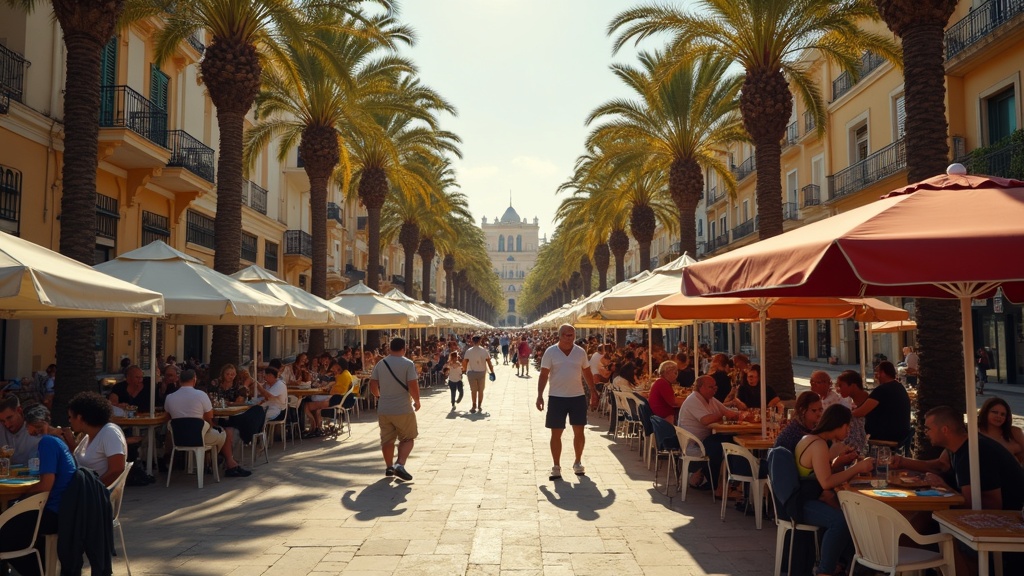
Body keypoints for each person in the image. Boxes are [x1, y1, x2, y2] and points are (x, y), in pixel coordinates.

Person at [794, 404, 875, 576]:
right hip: (802, 502)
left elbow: (821, 472)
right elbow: (826, 482)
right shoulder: (818, 445)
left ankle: (845, 564)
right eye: (848, 426)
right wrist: (857, 468)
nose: (849, 431)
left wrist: (839, 462)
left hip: (805, 497)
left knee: (849, 513)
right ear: (839, 424)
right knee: (840, 521)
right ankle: (825, 571)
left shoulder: (811, 439)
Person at [0, 405, 78, 576]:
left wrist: (21, 497)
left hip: (53, 512)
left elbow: (45, 486)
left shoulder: (47, 442)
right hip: (63, 508)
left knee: (4, 534)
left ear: (34, 423)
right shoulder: (58, 441)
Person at [536, 324, 599, 480]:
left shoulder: (580, 352)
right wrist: (539, 395)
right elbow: (544, 374)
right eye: (566, 335)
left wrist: (593, 391)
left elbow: (586, 371)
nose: (569, 338)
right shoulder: (551, 352)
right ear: (560, 336)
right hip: (556, 397)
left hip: (577, 396)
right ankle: (556, 466)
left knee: (579, 431)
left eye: (572, 335)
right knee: (556, 432)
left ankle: (577, 462)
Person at [164, 369, 250, 477]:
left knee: (217, 433)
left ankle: (215, 461)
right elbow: (209, 419)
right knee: (225, 432)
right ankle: (228, 463)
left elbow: (168, 417)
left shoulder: (170, 397)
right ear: (194, 380)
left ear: (180, 380)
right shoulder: (201, 395)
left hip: (178, 438)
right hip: (199, 437)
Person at [677, 374, 743, 496]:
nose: (714, 389)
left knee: (733, 440)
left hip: (704, 439)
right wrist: (724, 416)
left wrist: (739, 413)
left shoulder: (711, 399)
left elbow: (726, 411)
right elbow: (706, 420)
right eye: (711, 387)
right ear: (701, 388)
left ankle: (731, 483)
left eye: (715, 387)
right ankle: (719, 486)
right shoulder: (694, 399)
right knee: (723, 445)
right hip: (694, 443)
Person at [369, 337, 420, 482]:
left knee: (387, 440)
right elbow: (412, 385)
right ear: (404, 348)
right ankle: (400, 464)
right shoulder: (408, 364)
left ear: (389, 348)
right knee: (408, 437)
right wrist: (417, 401)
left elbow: (373, 385)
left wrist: (379, 396)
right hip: (403, 408)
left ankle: (389, 467)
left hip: (384, 408)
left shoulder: (381, 363)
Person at [64, 391, 127, 486]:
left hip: (95, 494)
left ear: (80, 417)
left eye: (70, 417)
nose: (69, 421)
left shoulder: (109, 432)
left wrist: (95, 488)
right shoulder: (87, 436)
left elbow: (117, 468)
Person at [857, 361, 911, 444]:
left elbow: (861, 412)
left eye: (877, 373)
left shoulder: (882, 390)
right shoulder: (899, 386)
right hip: (902, 433)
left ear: (882, 373)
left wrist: (845, 413)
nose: (876, 377)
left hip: (886, 435)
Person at [302, 360, 352, 437]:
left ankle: (314, 427)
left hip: (336, 400)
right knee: (315, 406)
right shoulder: (346, 374)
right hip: (340, 400)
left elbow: (337, 391)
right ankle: (318, 428)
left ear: (339, 366)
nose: (333, 370)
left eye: (335, 367)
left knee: (306, 405)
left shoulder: (343, 375)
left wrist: (330, 388)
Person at [978, 396, 1024, 464]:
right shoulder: (975, 431)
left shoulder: (1014, 432)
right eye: (995, 412)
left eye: (1003, 414)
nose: (999, 416)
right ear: (985, 412)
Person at [0, 393, 42, 464]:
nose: (7, 424)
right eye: (2, 421)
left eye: (9, 418)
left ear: (19, 411)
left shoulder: (36, 428)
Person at [833, 370, 868, 451]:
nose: (838, 389)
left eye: (841, 385)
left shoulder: (869, 402)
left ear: (853, 385)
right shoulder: (847, 402)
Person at [462, 335, 496, 414]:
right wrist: (492, 372)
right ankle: (479, 405)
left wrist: (463, 371)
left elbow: (465, 362)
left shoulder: (469, 351)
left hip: (471, 372)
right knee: (481, 390)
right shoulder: (484, 351)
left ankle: (474, 405)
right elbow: (489, 362)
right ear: (480, 341)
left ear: (472, 341)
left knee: (473, 390)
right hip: (481, 372)